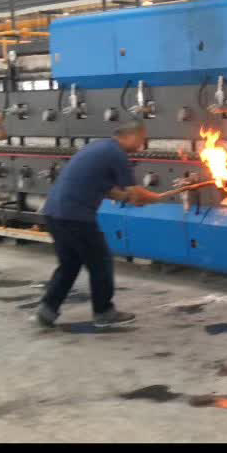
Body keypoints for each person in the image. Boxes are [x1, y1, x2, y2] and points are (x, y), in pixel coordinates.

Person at [37, 121, 162, 328]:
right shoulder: (117, 154)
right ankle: (104, 313)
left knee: (69, 265)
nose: (141, 145)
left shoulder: (99, 147)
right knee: (100, 262)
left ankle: (47, 311)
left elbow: (107, 189)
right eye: (141, 139)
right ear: (131, 135)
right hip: (75, 216)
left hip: (53, 213)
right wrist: (155, 198)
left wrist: (128, 198)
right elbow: (136, 191)